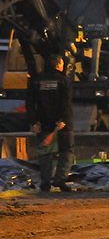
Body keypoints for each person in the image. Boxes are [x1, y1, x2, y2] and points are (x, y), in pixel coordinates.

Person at [26, 54, 74, 192]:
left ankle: (45, 183)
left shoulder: (36, 81)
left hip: (43, 123)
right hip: (63, 125)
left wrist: (34, 121)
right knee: (67, 150)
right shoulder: (64, 81)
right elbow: (66, 103)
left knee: (45, 154)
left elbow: (29, 103)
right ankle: (60, 178)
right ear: (58, 65)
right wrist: (62, 119)